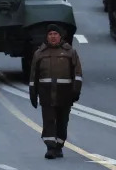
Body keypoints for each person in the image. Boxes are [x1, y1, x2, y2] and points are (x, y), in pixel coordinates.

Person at [29, 24, 83, 159]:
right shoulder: (39, 53)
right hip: (46, 94)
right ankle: (50, 147)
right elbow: (33, 76)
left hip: (64, 94)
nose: (53, 37)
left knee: (62, 121)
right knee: (49, 121)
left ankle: (59, 145)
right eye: (50, 34)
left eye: (55, 34)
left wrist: (76, 91)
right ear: (47, 37)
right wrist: (33, 94)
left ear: (60, 36)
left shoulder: (70, 52)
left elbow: (77, 74)